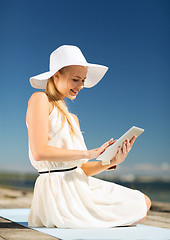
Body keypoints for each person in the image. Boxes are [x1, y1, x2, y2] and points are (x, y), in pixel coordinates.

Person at [26, 45, 151, 228]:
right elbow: (39, 152)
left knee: (144, 201)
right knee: (139, 211)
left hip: (78, 185)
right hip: (58, 193)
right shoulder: (40, 99)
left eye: (83, 80)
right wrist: (88, 153)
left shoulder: (73, 119)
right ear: (56, 75)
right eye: (76, 79)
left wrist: (110, 161)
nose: (81, 86)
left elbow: (79, 169)